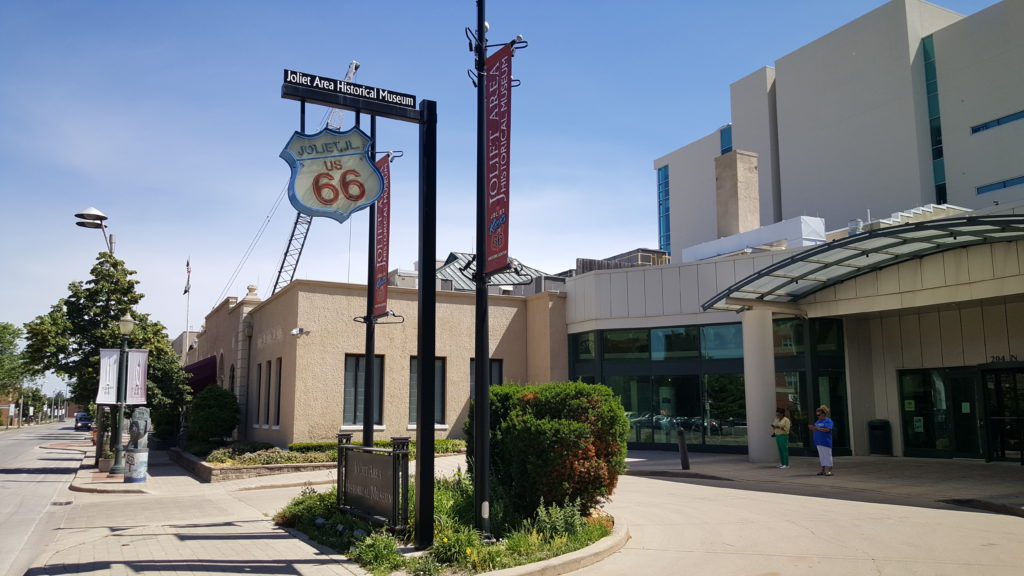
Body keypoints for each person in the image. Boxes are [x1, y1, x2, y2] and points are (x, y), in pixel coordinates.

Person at [808, 405, 834, 476]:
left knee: (827, 456)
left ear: (823, 414)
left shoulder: (828, 421)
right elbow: (816, 429)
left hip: (825, 441)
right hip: (818, 442)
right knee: (821, 456)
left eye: (819, 414)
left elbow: (828, 429)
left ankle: (829, 470)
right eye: (817, 415)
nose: (818, 416)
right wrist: (813, 428)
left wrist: (817, 428)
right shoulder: (818, 421)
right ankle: (823, 470)